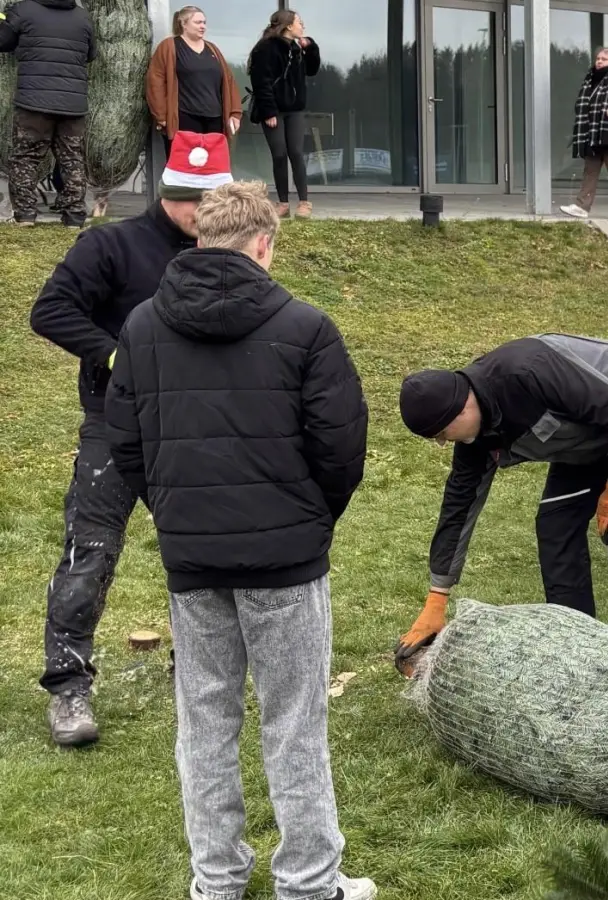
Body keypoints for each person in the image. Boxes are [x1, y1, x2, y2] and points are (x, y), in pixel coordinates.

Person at [104, 167, 373, 900]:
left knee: (205, 722)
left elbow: (123, 440)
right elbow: (342, 448)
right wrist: (311, 520)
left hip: (195, 558)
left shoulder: (142, 326)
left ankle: (216, 879)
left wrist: (172, 509)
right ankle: (309, 882)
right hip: (284, 562)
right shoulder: (306, 326)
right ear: (263, 244)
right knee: (294, 724)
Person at [27, 131, 223, 747]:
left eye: (214, 201)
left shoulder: (223, 254)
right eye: (197, 201)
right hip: (114, 428)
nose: (205, 214)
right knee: (90, 554)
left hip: (192, 430)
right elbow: (50, 311)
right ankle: (68, 686)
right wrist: (116, 358)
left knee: (201, 555)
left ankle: (196, 673)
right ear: (170, 194)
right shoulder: (110, 245)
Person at [393, 334, 608, 676]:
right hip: (592, 441)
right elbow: (458, 507)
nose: (441, 443)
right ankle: (578, 648)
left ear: (462, 407)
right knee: (555, 526)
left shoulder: (527, 370)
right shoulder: (475, 434)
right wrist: (437, 598)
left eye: (440, 434)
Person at [0, 0, 94, 228]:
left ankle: (26, 216)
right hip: (72, 104)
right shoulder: (83, 17)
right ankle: (74, 217)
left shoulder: (23, 10)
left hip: (34, 103)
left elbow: (3, 42)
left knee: (25, 159)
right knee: (73, 160)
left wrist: (2, 19)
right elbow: (91, 55)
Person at [248, 9, 320, 219]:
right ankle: (283, 203)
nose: (303, 26)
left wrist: (312, 47)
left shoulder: (298, 47)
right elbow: (261, 82)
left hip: (295, 109)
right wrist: (269, 111)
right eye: (300, 22)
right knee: (279, 154)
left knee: (296, 153)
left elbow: (312, 69)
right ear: (288, 25)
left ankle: (304, 202)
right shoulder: (265, 48)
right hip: (274, 111)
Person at [146, 5, 243, 156]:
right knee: (184, 168)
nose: (203, 26)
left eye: (204, 22)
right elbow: (155, 81)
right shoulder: (169, 47)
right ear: (184, 24)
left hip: (214, 119)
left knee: (212, 167)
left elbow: (229, 81)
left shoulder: (213, 49)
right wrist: (162, 116)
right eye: (198, 22)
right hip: (184, 118)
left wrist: (235, 113)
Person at [559, 46, 608, 222]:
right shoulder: (590, 79)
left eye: (604, 59)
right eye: (598, 59)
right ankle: (581, 206)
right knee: (590, 171)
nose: (599, 61)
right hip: (594, 134)